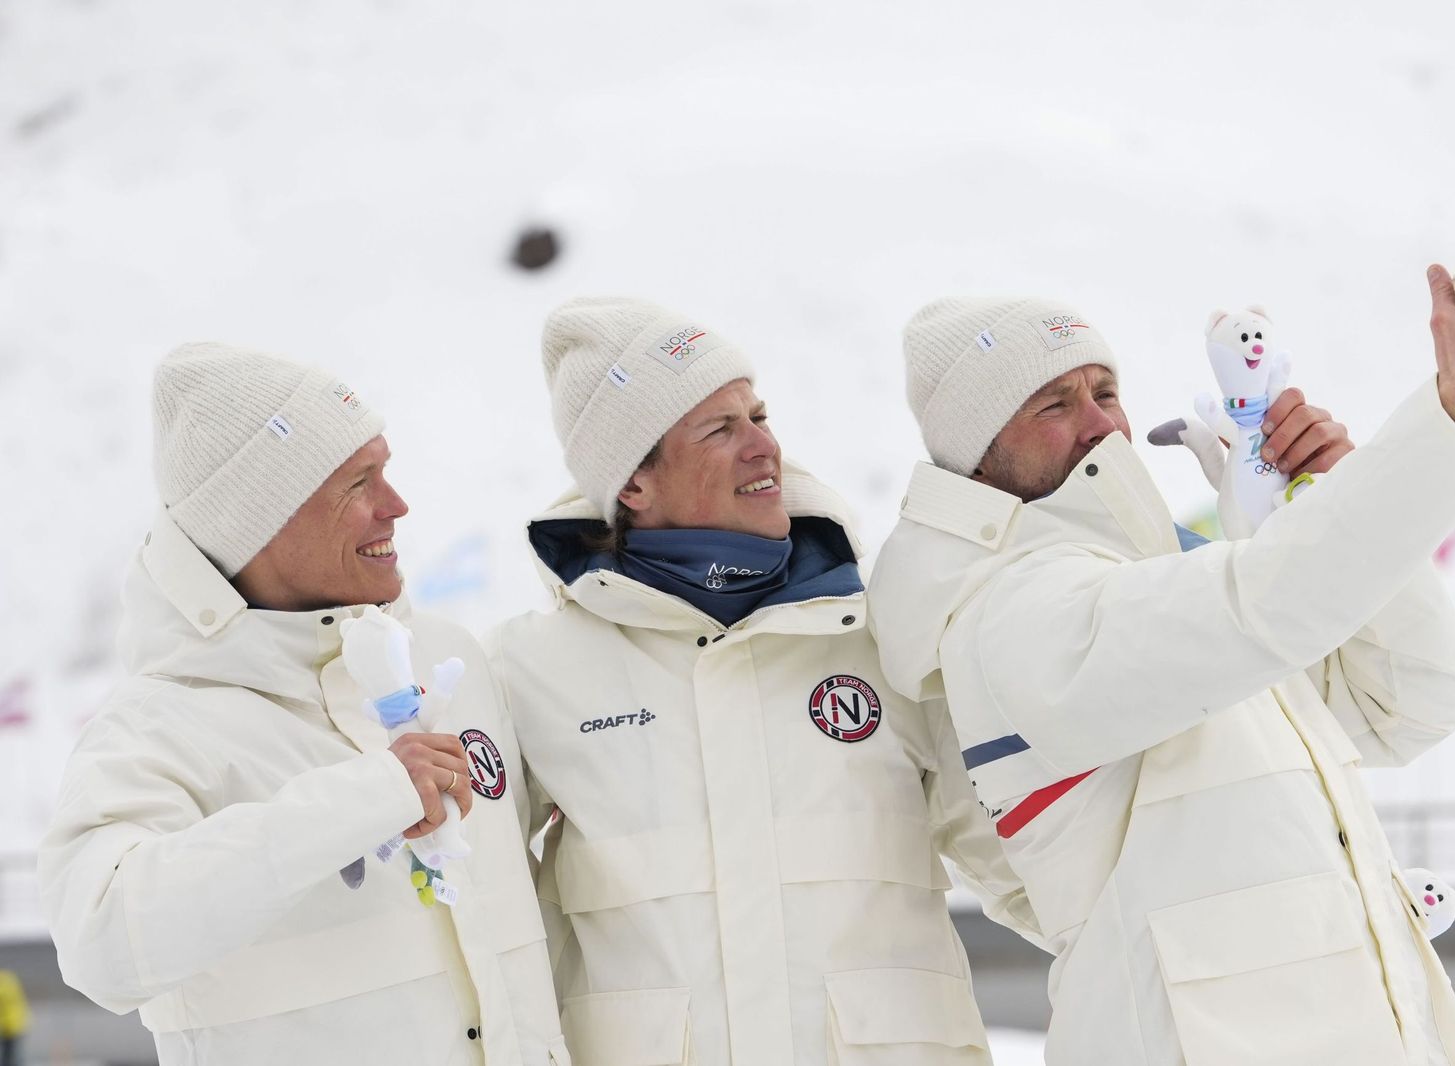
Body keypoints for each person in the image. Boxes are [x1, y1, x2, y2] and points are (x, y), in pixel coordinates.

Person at [867, 266, 1455, 1065]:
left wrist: (1326, 490)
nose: (1099, 423)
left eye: (1104, 390)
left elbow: (1406, 705)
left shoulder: (1154, 596)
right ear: (976, 453)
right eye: (1052, 404)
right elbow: (1264, 605)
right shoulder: (1005, 616)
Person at [485, 298, 1038, 1066]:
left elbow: (1031, 858)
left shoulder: (884, 630)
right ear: (633, 485)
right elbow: (481, 924)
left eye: (759, 414)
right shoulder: (529, 671)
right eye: (721, 428)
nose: (764, 445)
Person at [37, 343, 569, 1066]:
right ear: (262, 521)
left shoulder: (448, 656)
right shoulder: (159, 725)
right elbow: (102, 948)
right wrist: (366, 798)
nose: (397, 504)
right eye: (359, 482)